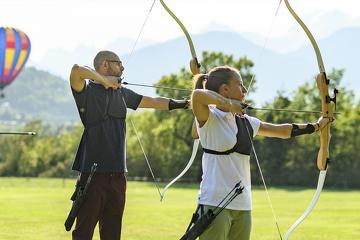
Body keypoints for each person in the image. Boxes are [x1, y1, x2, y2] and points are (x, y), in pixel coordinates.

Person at [190, 66, 332, 240]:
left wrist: (316, 126)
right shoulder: (209, 118)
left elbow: (282, 131)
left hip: (242, 205)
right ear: (225, 89)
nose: (245, 90)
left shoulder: (247, 122)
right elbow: (197, 96)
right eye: (240, 85)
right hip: (213, 203)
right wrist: (229, 104)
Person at [69, 50, 189, 240]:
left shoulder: (122, 93)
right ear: (105, 65)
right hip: (92, 176)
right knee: (83, 232)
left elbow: (155, 102)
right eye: (118, 63)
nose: (122, 67)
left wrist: (185, 104)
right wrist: (104, 80)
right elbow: (76, 70)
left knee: (112, 233)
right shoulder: (87, 92)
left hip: (117, 176)